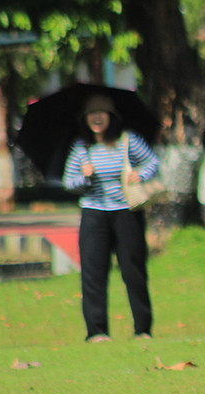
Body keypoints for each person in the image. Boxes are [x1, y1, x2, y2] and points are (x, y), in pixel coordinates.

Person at [63, 93, 158, 342]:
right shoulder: (81, 148)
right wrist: (84, 176)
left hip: (127, 212)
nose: (96, 118)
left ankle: (143, 329)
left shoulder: (128, 141)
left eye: (101, 113)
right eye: (91, 114)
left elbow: (152, 162)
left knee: (133, 271)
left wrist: (140, 174)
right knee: (93, 273)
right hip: (94, 214)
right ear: (85, 119)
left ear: (111, 117)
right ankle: (97, 331)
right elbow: (68, 181)